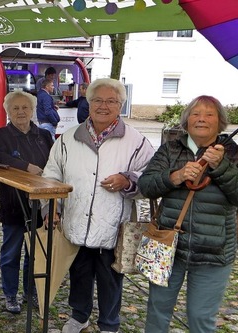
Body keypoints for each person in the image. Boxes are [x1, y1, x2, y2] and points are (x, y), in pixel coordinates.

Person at [41, 78, 155, 333]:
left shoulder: (136, 141)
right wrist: (51, 209)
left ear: (120, 105)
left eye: (111, 101)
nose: (104, 106)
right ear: (89, 103)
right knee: (79, 274)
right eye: (98, 100)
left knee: (110, 279)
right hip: (76, 221)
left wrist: (127, 180)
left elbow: (151, 176)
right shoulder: (68, 139)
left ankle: (109, 324)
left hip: (113, 225)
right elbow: (51, 175)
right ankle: (79, 316)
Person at [137, 95, 238, 333]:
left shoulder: (237, 155)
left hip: (214, 252)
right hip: (169, 248)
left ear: (220, 122)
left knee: (201, 318)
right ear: (186, 120)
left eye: (209, 114)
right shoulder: (170, 149)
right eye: (195, 113)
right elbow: (146, 186)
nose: (201, 119)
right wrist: (175, 177)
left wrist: (221, 166)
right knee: (158, 312)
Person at [0, 90, 54, 314]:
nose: (21, 112)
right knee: (11, 252)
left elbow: (55, 161)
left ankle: (31, 292)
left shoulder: (44, 135)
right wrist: (26, 167)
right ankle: (10, 294)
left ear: (32, 110)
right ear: (7, 111)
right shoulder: (1, 135)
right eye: (15, 108)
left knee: (35, 252)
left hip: (41, 203)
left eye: (25, 107)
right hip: (14, 203)